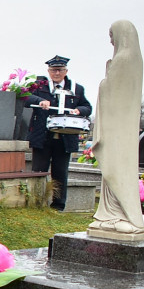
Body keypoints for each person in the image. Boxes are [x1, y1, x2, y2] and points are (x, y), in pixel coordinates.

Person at [87, 20, 144, 239]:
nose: (110, 39)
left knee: (116, 168)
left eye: (112, 34)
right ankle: (111, 215)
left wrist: (105, 78)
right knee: (116, 170)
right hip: (122, 125)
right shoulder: (135, 59)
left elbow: (111, 90)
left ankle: (122, 216)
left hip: (116, 126)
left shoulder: (123, 59)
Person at [24, 55, 92, 211]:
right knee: (38, 171)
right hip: (43, 136)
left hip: (65, 138)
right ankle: (37, 203)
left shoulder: (77, 88)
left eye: (60, 70)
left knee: (60, 173)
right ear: (48, 71)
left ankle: (58, 205)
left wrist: (79, 110)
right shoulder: (39, 86)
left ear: (65, 71)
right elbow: (25, 97)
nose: (56, 73)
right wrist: (39, 101)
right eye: (53, 70)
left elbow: (87, 107)